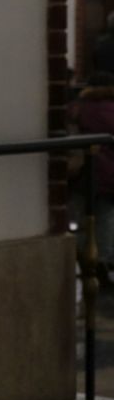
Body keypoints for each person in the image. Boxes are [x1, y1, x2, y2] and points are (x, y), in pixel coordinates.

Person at [71, 71, 114, 282]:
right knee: (105, 218)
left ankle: (82, 254)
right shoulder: (111, 109)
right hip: (109, 174)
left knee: (82, 218)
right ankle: (102, 261)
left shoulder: (78, 108)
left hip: (83, 173)